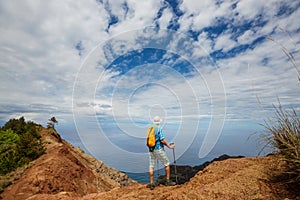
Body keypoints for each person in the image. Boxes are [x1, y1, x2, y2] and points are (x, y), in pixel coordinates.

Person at [148, 116, 175, 190]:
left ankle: (151, 183)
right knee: (167, 164)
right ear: (159, 121)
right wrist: (169, 146)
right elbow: (162, 140)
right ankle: (167, 181)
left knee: (151, 165)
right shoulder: (159, 128)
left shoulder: (150, 128)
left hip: (151, 149)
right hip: (158, 149)